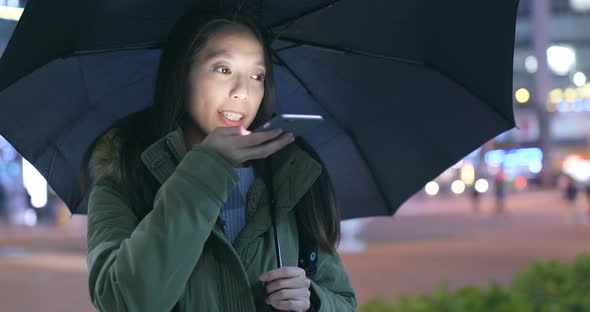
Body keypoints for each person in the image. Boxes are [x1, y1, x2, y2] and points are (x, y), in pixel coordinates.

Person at [81, 9, 356, 312]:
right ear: (182, 72)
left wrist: (312, 300)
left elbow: (343, 300)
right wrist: (208, 166)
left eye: (257, 75)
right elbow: (123, 301)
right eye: (223, 69)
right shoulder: (125, 173)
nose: (242, 92)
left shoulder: (290, 173)